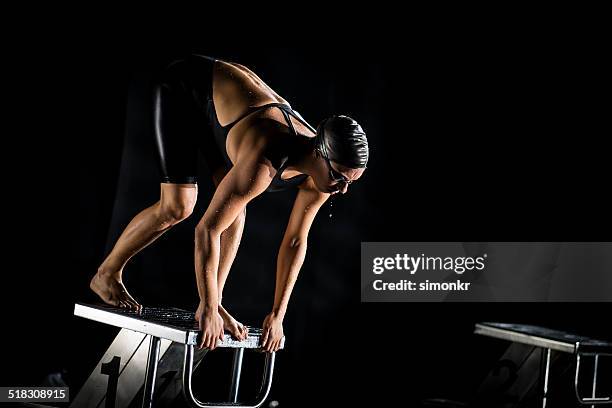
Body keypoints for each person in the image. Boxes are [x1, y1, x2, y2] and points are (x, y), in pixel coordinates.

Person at [89, 54, 369, 352]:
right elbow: (205, 230)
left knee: (235, 212)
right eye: (340, 178)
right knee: (179, 206)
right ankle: (106, 274)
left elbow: (296, 242)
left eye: (351, 182)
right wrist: (207, 308)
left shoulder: (322, 178)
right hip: (187, 89)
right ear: (319, 152)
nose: (343, 190)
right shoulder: (265, 161)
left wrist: (277, 315)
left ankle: (214, 301)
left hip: (226, 117)